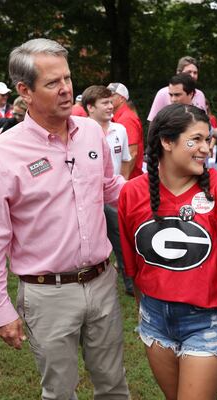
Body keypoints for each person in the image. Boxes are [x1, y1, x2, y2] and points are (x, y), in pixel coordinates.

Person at [0, 38, 128, 400]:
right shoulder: (0, 154)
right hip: (47, 293)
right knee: (59, 392)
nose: (67, 90)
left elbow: (110, 187)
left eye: (68, 78)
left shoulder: (90, 131)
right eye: (53, 83)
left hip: (103, 282)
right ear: (24, 91)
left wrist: (160, 193)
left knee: (114, 386)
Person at [118, 104, 217, 400]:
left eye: (207, 140)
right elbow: (134, 264)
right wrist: (144, 311)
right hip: (154, 318)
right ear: (167, 142)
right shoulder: (132, 193)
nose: (205, 148)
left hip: (208, 320)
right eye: (195, 140)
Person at [83, 85, 134, 295]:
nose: (110, 106)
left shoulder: (120, 130)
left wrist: (121, 189)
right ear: (90, 108)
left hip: (113, 197)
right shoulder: (80, 132)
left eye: (110, 101)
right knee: (90, 241)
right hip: (89, 199)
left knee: (122, 239)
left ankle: (130, 281)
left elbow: (125, 162)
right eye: (104, 103)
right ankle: (91, 281)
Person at [147, 56, 206, 121]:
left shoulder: (200, 94)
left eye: (195, 73)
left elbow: (205, 123)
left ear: (191, 94)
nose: (192, 75)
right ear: (178, 73)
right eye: (189, 72)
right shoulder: (162, 93)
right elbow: (153, 123)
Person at [108, 82, 144, 179]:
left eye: (111, 95)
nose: (107, 98)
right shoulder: (120, 118)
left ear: (122, 98)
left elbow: (132, 153)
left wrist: (123, 181)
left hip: (130, 180)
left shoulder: (126, 119)